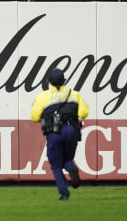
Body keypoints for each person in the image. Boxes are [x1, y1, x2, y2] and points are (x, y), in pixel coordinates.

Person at [30, 68, 89, 201]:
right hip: (72, 130)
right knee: (67, 158)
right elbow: (84, 113)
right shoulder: (75, 95)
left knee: (56, 164)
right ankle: (71, 168)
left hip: (55, 131)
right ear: (64, 80)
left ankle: (64, 193)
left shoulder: (42, 97)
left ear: (49, 81)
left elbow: (34, 117)